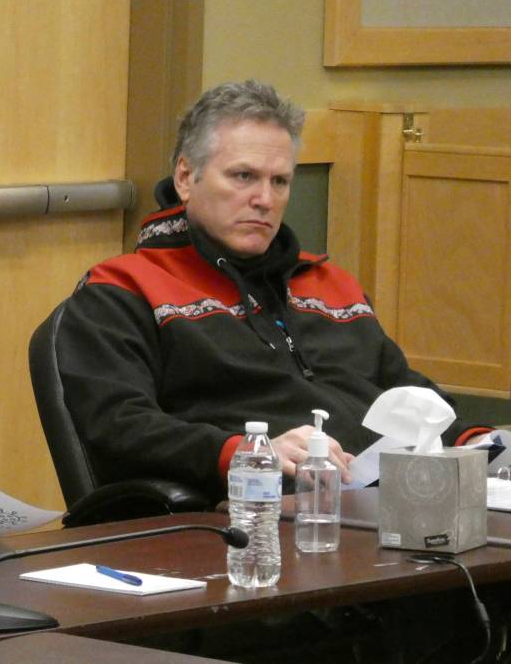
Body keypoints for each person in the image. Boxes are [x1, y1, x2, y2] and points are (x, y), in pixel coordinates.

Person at [56, 80, 491, 500]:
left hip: (387, 503)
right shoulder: (123, 289)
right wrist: (250, 453)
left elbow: (402, 392)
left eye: (279, 181)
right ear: (186, 177)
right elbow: (117, 426)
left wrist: (481, 443)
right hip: (249, 516)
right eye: (243, 176)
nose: (264, 198)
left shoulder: (332, 285)